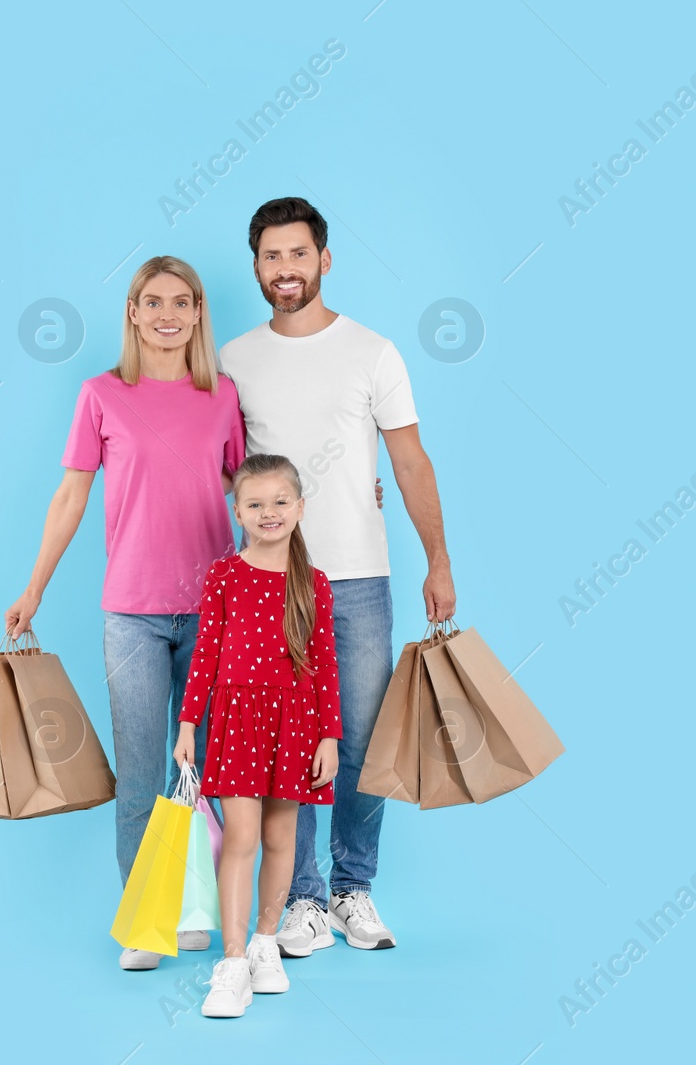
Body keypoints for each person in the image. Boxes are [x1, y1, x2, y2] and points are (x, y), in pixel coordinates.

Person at [218, 197, 457, 956]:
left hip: (356, 574)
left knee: (355, 738)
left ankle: (354, 885)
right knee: (286, 744)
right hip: (270, 584)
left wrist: (438, 557)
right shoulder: (234, 359)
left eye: (297, 254)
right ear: (256, 267)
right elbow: (222, 471)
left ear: (325, 259)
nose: (284, 270)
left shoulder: (373, 351)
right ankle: (303, 899)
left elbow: (409, 459)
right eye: (270, 257)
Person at [3, 256, 246, 972]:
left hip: (214, 611)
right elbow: (71, 497)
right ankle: (147, 920)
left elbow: (250, 491)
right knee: (141, 776)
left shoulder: (223, 396)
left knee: (202, 771)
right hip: (133, 614)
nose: (167, 313)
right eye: (152, 301)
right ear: (134, 313)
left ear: (199, 312)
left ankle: (199, 909)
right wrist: (35, 587)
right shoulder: (101, 394)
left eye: (181, 301)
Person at [173, 453, 340, 1018]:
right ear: (237, 511)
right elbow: (206, 655)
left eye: (279, 502)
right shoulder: (223, 575)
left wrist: (329, 737)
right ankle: (234, 960)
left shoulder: (313, 583)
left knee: (281, 836)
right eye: (255, 504)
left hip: (295, 725)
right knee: (240, 836)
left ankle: (267, 942)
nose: (268, 513)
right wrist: (189, 724)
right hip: (238, 720)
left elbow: (324, 665)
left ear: (299, 506)